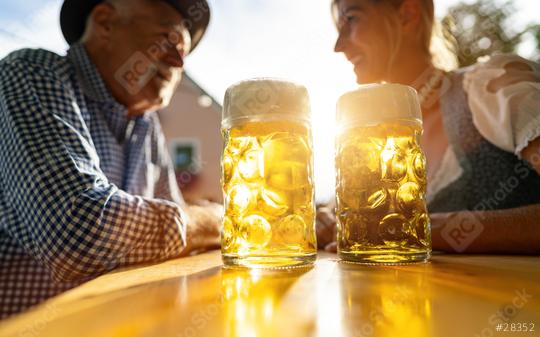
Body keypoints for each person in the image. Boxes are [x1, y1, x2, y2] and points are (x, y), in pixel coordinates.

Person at [0, 0, 221, 319]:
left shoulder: (146, 125)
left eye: (183, 54)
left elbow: (176, 240)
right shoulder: (33, 72)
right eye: (167, 38)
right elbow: (76, 232)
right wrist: (213, 219)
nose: (177, 61)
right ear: (105, 22)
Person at [318, 0, 540, 254]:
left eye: (351, 19)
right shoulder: (376, 143)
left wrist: (418, 228)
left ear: (408, 14)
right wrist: (327, 220)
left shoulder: (490, 86)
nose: (339, 46)